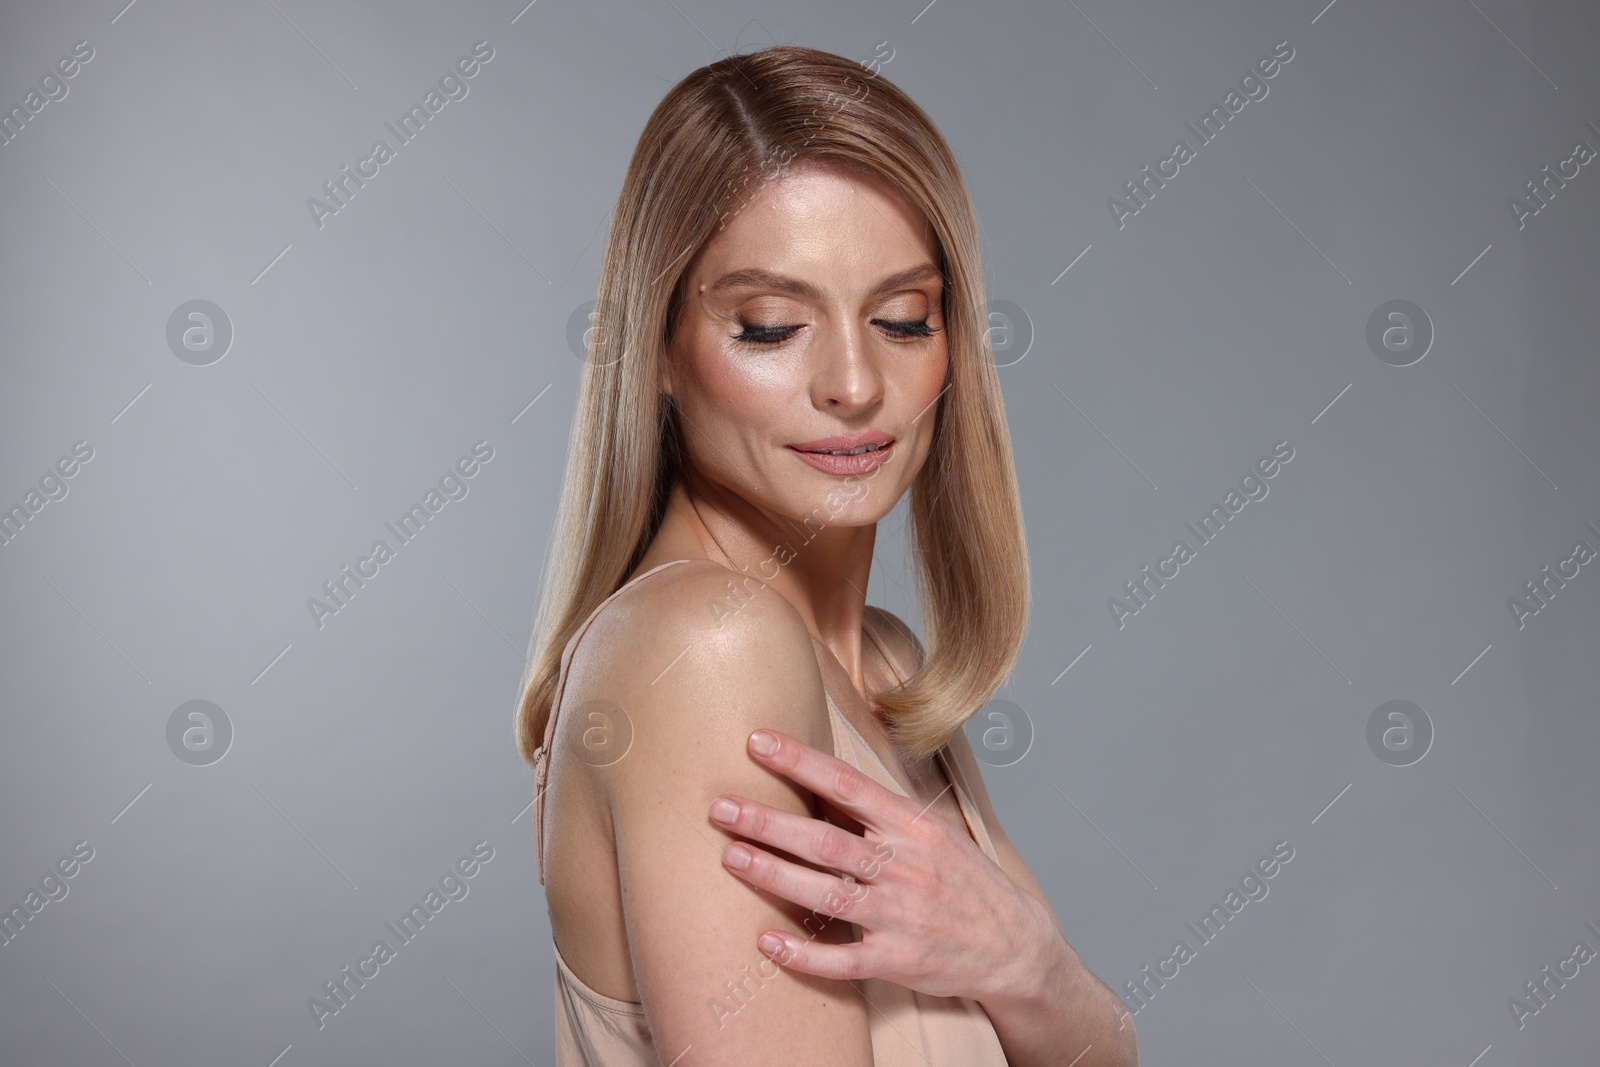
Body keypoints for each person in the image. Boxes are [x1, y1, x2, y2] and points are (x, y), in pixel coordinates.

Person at [514, 44, 1137, 1066]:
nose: (854, 381)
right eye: (769, 326)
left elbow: (1104, 1051)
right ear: (661, 349)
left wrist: (1032, 968)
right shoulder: (707, 648)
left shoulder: (880, 663)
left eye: (903, 318)